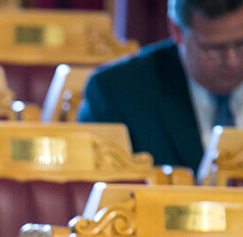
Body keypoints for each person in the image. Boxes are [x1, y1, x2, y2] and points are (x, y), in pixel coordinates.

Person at [78, 0, 243, 170]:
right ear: (176, 31)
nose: (232, 61)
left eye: (241, 44)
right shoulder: (116, 91)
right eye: (213, 49)